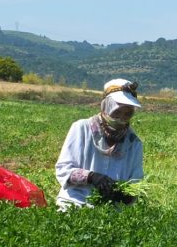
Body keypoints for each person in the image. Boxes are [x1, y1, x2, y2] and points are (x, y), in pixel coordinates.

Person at [55, 78, 145, 209]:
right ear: (106, 106)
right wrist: (92, 177)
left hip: (111, 210)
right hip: (74, 202)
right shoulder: (82, 128)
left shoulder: (133, 143)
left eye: (127, 114)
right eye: (117, 112)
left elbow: (136, 180)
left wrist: (125, 195)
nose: (121, 118)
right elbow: (63, 169)